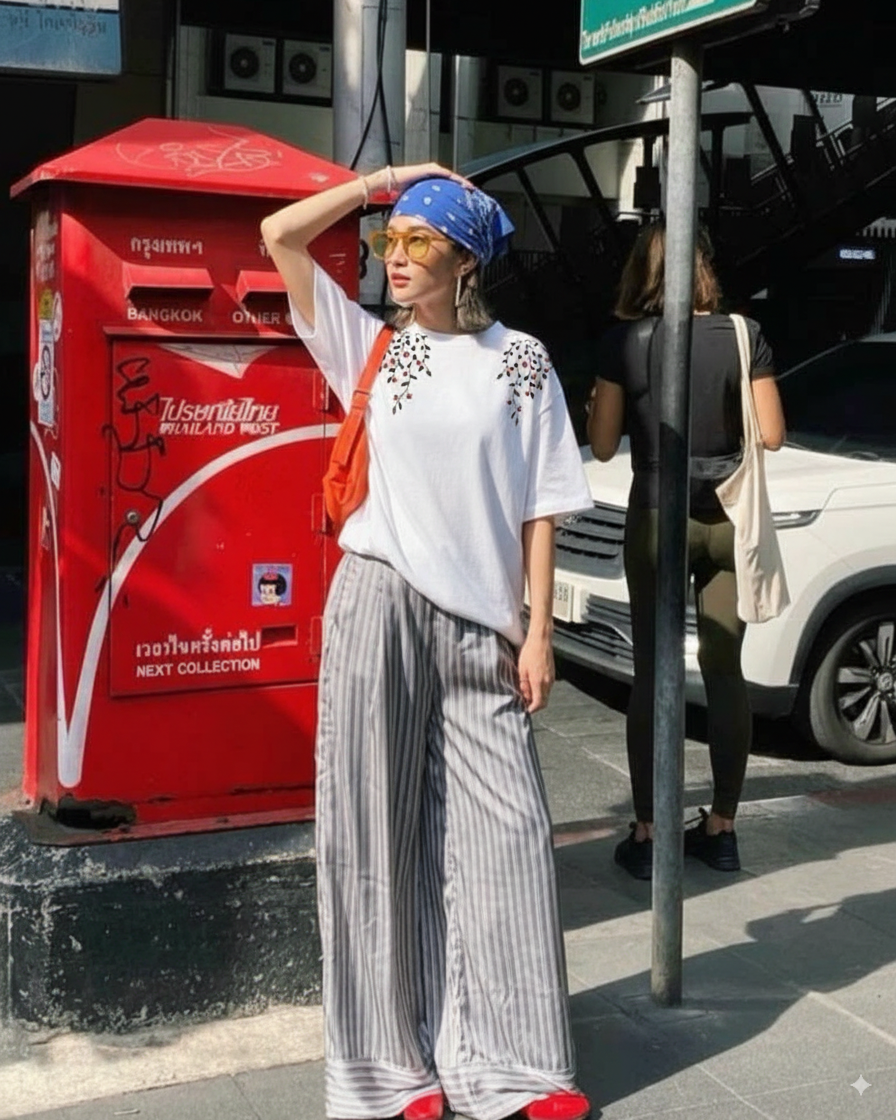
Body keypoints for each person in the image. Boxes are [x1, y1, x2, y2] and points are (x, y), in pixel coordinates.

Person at [261, 164, 593, 1120]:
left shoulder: (521, 361)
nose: (394, 259)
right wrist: (387, 182)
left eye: (417, 242)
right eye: (387, 242)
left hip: (484, 622)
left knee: (512, 834)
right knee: (372, 832)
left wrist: (535, 630)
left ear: (466, 259)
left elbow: (542, 506)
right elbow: (281, 236)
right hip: (380, 598)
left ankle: (519, 1067)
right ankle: (388, 1073)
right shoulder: (370, 345)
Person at [586, 222, 785, 881]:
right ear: (702, 265)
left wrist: (601, 403)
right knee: (725, 670)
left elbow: (607, 444)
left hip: (656, 518)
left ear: (642, 273)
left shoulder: (626, 341)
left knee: (654, 671)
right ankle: (722, 830)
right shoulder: (742, 334)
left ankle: (647, 832)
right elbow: (774, 434)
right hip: (727, 518)